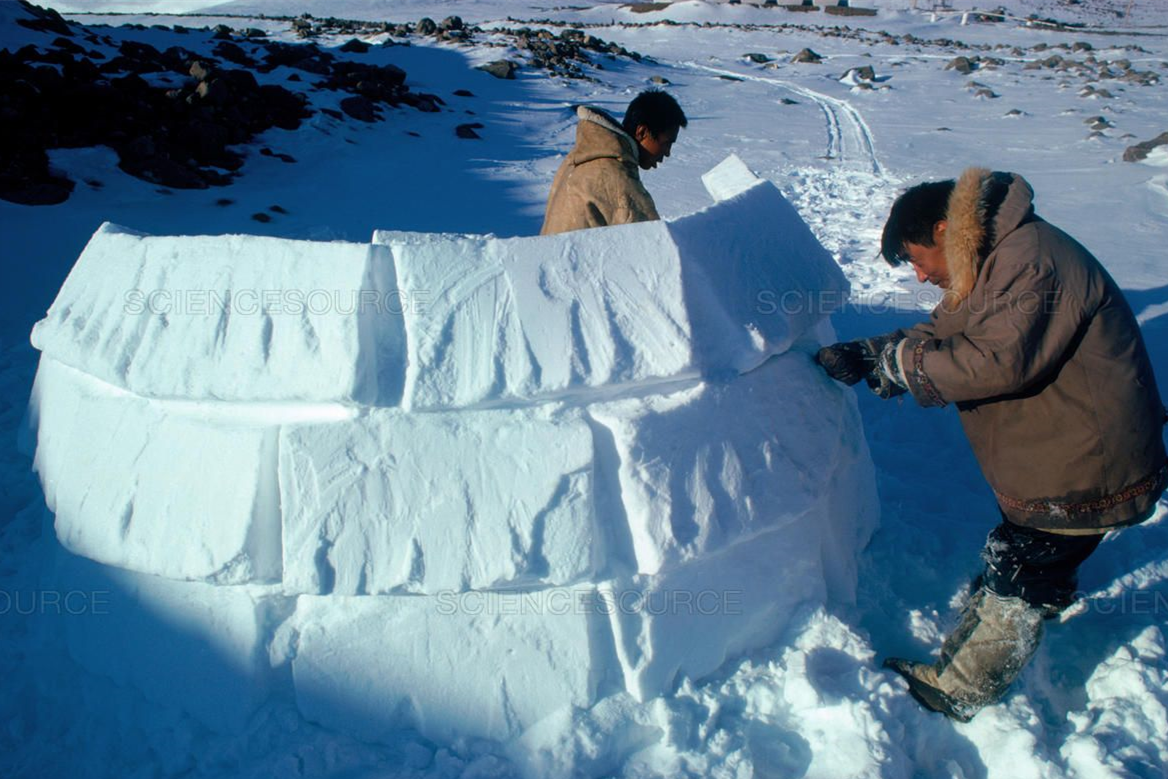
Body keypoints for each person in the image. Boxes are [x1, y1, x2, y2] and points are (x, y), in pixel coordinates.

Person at [816, 167, 1168, 722]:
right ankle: (1035, 602)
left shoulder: (1031, 261)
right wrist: (876, 352)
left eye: (916, 259)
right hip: (1073, 447)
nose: (920, 276)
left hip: (1089, 460)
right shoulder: (996, 259)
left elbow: (993, 361)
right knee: (1033, 555)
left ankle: (960, 688)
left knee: (1022, 570)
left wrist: (899, 365)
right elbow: (949, 332)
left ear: (941, 231)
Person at [540, 89, 686, 235]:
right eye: (666, 143)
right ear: (641, 132)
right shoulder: (617, 178)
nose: (667, 153)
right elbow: (654, 242)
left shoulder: (576, 160)